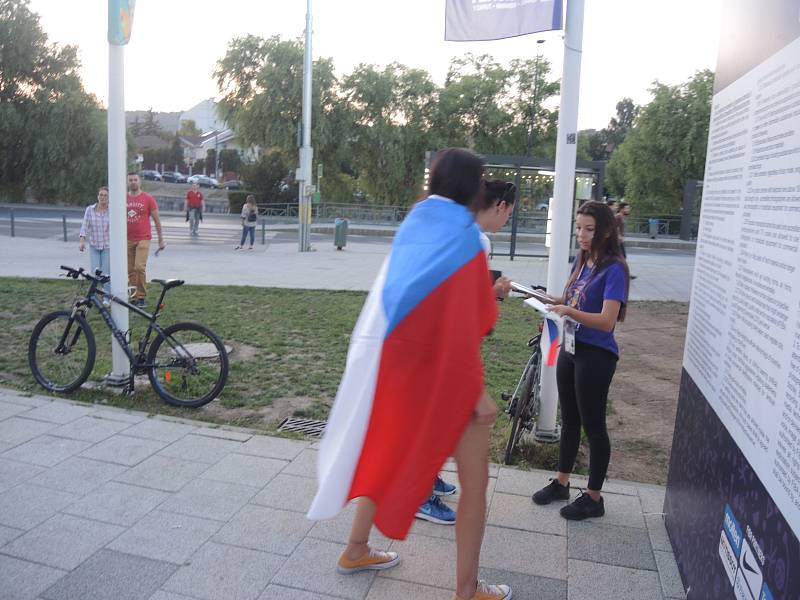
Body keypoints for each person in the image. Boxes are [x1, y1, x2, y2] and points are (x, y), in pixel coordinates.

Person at [307, 148, 511, 600]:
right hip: (449, 380)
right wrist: (477, 393)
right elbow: (469, 323)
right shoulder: (464, 239)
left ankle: (356, 548)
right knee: (474, 485)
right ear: (472, 186)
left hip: (400, 372)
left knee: (390, 456)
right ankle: (467, 589)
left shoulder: (415, 223)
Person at [414, 180, 515, 527]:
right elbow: (467, 303)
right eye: (510, 213)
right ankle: (420, 491)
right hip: (449, 347)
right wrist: (496, 292)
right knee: (441, 420)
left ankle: (426, 481)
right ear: (500, 205)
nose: (507, 221)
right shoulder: (477, 240)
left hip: (432, 342)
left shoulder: (455, 230)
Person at [531, 200, 630, 521]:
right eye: (578, 228)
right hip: (571, 348)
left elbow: (606, 321)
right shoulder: (583, 260)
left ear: (605, 230)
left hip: (596, 355)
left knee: (594, 425)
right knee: (570, 420)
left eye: (589, 229)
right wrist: (547, 300)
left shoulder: (615, 268)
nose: (582, 235)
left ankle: (594, 497)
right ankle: (561, 482)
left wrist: (569, 311)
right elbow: (569, 299)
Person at [126, 173, 165, 307]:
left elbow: (156, 220)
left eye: (135, 180)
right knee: (130, 270)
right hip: (127, 239)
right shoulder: (123, 198)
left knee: (139, 267)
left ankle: (141, 297)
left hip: (143, 238)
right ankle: (134, 296)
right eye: (130, 180)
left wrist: (161, 239)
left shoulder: (148, 198)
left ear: (139, 182)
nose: (133, 182)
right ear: (127, 182)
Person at [79, 186, 111, 295]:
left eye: (105, 195)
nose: (103, 197)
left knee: (106, 273)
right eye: (101, 195)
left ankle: (107, 297)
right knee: (95, 272)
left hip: (107, 246)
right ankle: (95, 296)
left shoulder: (112, 210)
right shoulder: (90, 209)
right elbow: (84, 226)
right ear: (97, 196)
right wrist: (82, 241)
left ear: (109, 197)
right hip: (94, 246)